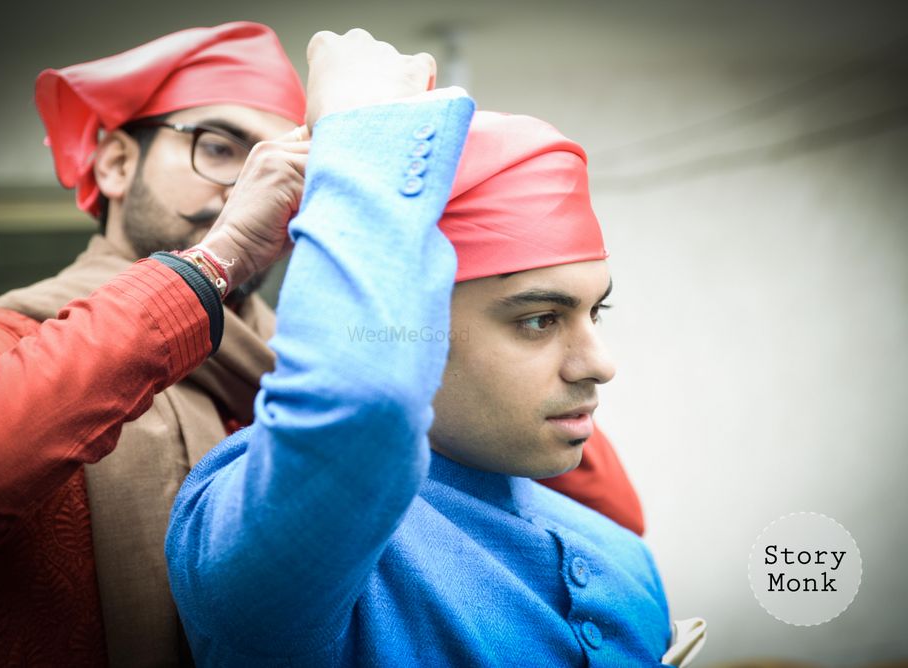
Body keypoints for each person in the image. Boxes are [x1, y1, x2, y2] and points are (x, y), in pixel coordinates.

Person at [0, 20, 649, 668]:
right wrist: (219, 255)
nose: (257, 179)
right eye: (220, 147)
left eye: (288, 160)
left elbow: (608, 525)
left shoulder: (321, 347)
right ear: (115, 163)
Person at [166, 29, 702, 666]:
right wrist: (360, 134)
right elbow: (361, 408)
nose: (601, 363)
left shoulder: (622, 555)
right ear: (407, 322)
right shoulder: (256, 532)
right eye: (539, 319)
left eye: (596, 311)